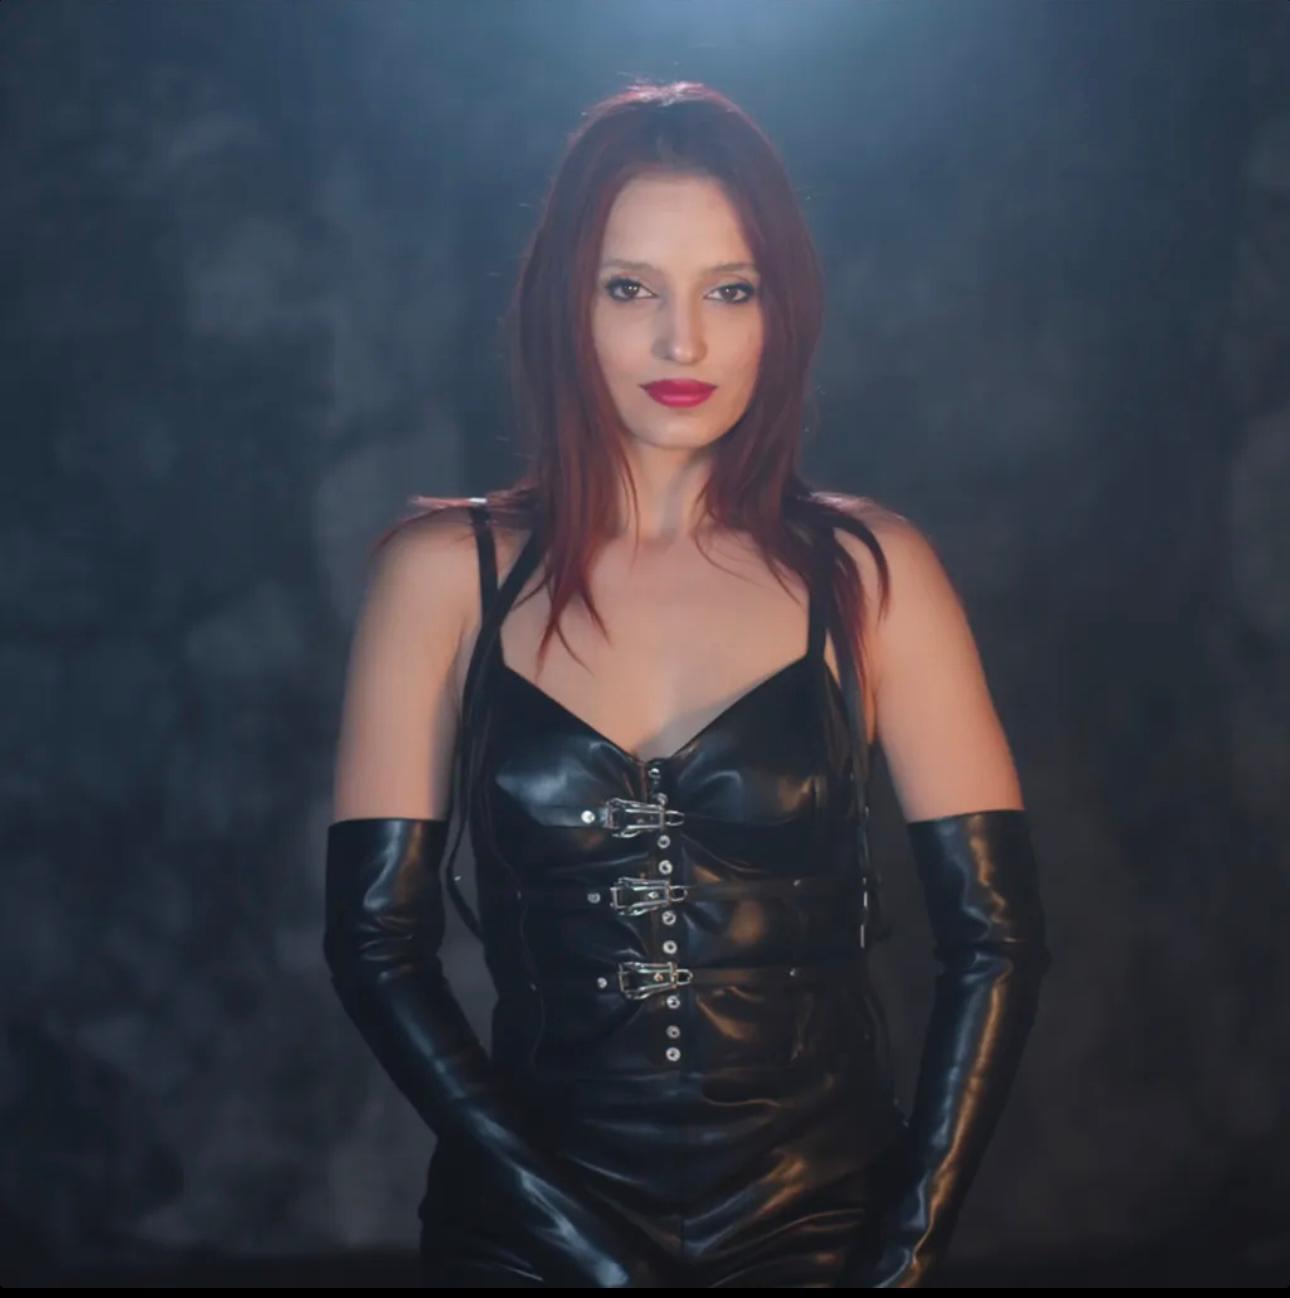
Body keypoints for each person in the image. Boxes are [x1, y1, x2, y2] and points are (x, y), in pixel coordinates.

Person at [322, 80, 1051, 1288]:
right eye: (630, 289)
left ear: (782, 308)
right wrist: (589, 1254)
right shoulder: (444, 573)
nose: (683, 343)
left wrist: (904, 1255)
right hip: (530, 1232)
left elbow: (998, 938)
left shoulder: (869, 572)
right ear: (564, 304)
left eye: (730, 289)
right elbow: (375, 944)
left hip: (822, 1230)